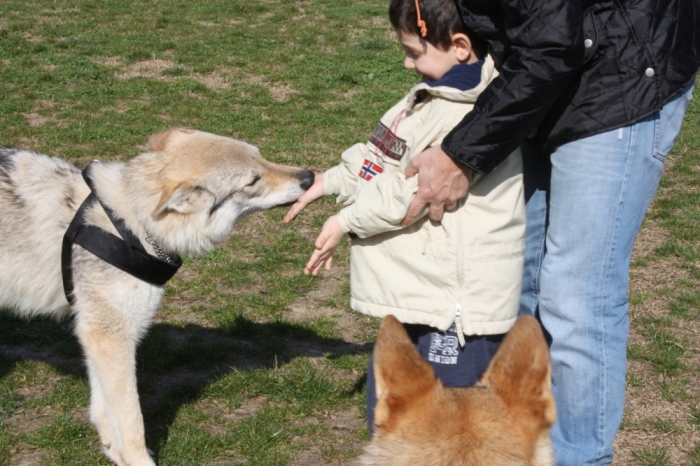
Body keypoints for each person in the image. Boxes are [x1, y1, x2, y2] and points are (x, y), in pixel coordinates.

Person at [399, 0, 700, 464]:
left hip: (620, 79)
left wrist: (461, 154)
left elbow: (552, 41)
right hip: (545, 76)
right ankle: (515, 444)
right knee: (516, 279)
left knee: (576, 299)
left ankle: (579, 456)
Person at [284, 0, 526, 433]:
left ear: (460, 46)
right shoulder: (427, 96)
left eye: (414, 52)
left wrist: (345, 221)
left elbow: (411, 193)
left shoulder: (468, 113)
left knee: (445, 421)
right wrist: (331, 181)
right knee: (394, 406)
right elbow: (384, 155)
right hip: (422, 288)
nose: (406, 61)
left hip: (456, 303)